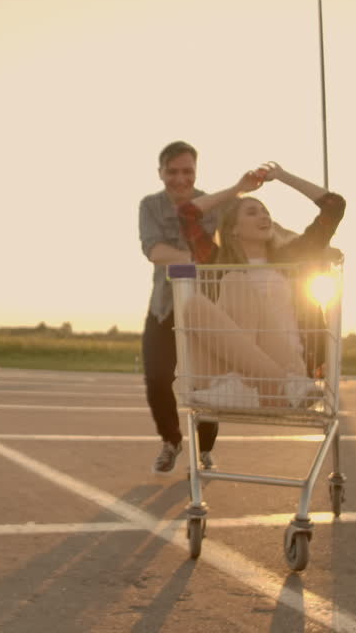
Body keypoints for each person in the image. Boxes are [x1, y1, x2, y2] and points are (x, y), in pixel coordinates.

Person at [173, 162, 345, 441]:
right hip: (229, 379)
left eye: (266, 211)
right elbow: (186, 214)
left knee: (233, 281)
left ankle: (279, 381)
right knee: (192, 305)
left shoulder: (291, 257)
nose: (263, 216)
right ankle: (265, 382)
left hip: (287, 363)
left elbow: (334, 206)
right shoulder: (219, 261)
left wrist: (283, 176)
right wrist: (237, 190)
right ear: (233, 230)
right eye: (252, 212)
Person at [138, 141, 228, 476]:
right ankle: (171, 441)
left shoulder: (213, 206)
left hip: (206, 306)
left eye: (186, 171)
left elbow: (230, 248)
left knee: (206, 384)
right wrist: (199, 258)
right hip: (164, 305)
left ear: (196, 171)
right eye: (172, 171)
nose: (180, 178)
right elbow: (154, 251)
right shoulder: (150, 206)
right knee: (157, 378)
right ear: (160, 172)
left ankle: (204, 451)